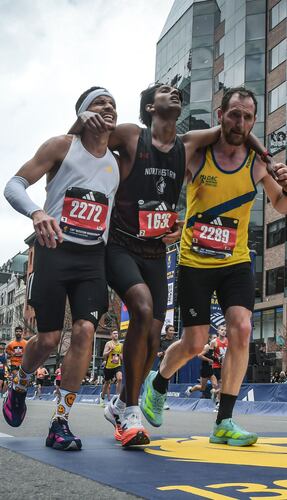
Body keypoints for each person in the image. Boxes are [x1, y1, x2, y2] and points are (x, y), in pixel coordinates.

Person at [74, 83, 267, 447]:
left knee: (151, 334)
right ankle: (130, 413)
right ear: (149, 107)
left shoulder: (188, 142)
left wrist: (262, 149)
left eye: (176, 90)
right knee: (144, 311)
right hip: (119, 244)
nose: (174, 91)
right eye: (164, 90)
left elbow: (234, 128)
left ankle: (124, 401)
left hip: (155, 251)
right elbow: (87, 143)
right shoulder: (132, 135)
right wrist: (81, 122)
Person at [141, 86, 287, 446]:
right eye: (233, 114)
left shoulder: (258, 163)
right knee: (195, 342)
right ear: (220, 115)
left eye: (247, 117)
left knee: (241, 328)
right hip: (195, 261)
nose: (240, 122)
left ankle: (224, 421)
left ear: (254, 121)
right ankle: (159, 381)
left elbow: (282, 205)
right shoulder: (199, 153)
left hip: (236, 261)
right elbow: (173, 169)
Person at [2, 86, 120, 451]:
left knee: (85, 331)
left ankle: (60, 423)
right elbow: (14, 184)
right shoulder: (61, 146)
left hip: (92, 259)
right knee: (50, 339)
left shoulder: (117, 160)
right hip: (54, 251)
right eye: (100, 103)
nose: (109, 108)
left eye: (113, 104)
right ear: (83, 113)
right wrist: (37, 213)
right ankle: (19, 384)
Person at [185, 334, 217, 398]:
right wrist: (209, 360)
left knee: (215, 385)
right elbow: (199, 355)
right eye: (214, 338)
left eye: (216, 338)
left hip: (212, 369)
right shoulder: (207, 346)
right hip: (205, 369)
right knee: (202, 388)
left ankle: (215, 401)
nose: (215, 339)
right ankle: (190, 390)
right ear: (210, 339)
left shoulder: (216, 347)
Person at [100, 330, 123, 407]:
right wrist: (110, 350)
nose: (116, 334)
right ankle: (102, 398)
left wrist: (120, 356)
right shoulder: (108, 343)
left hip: (117, 365)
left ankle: (117, 398)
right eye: (114, 333)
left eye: (117, 333)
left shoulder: (121, 345)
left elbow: (122, 357)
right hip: (109, 366)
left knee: (120, 379)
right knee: (107, 383)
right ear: (111, 335)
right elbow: (104, 355)